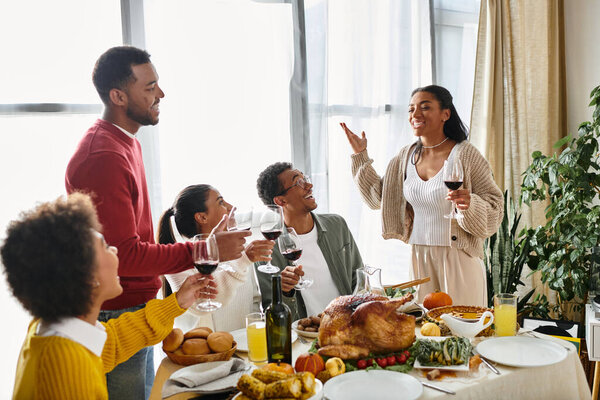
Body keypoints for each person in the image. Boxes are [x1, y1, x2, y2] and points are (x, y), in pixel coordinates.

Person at [64, 46, 250, 399]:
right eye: (149, 88)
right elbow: (125, 255)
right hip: (114, 316)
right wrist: (205, 249)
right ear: (118, 96)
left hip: (132, 308)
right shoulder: (103, 156)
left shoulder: (124, 143)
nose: (160, 94)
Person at [1, 193, 216, 400]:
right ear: (85, 275)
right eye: (105, 246)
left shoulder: (57, 330)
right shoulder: (67, 363)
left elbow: (113, 342)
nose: (115, 250)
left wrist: (178, 301)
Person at [340, 85, 503, 307]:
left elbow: (495, 206)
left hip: (459, 258)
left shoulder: (465, 154)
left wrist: (469, 204)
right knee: (426, 331)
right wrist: (360, 155)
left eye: (425, 107)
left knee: (463, 331)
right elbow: (377, 197)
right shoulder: (405, 157)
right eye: (411, 109)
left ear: (446, 114)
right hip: (420, 257)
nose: (415, 114)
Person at [156, 184, 275, 331]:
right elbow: (204, 304)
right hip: (206, 351)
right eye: (221, 202)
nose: (231, 208)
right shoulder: (177, 261)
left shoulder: (236, 249)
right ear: (202, 217)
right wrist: (244, 260)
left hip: (244, 347)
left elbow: (254, 301)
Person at [255, 162, 364, 320]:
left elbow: (359, 278)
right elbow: (272, 315)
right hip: (305, 336)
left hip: (348, 326)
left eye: (304, 178)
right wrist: (285, 291)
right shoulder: (266, 253)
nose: (309, 185)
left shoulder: (337, 225)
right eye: (298, 182)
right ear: (280, 201)